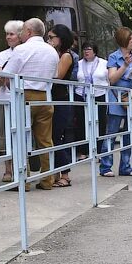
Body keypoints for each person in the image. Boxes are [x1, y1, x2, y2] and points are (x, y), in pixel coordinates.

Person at [10, 18, 61, 190]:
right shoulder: (52, 51)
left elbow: (9, 73)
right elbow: (54, 75)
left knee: (21, 139)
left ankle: (23, 182)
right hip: (45, 97)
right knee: (45, 140)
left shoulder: (21, 49)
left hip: (25, 96)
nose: (20, 33)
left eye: (22, 30)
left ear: (29, 32)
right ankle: (47, 180)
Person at [101, 27, 132, 177]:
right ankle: (105, 167)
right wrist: (125, 65)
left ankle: (125, 167)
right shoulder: (114, 57)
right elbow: (112, 79)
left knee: (129, 134)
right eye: (130, 38)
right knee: (111, 132)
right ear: (123, 40)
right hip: (117, 98)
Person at [0, 20, 24, 181]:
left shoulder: (25, 52)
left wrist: (5, 72)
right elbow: (0, 80)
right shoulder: (2, 55)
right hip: (5, 99)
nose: (8, 37)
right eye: (7, 34)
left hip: (21, 98)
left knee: (21, 135)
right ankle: (8, 170)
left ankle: (21, 168)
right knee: (6, 136)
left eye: (12, 34)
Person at [46, 24, 79, 187]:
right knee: (52, 136)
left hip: (61, 99)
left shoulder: (66, 56)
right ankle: (55, 173)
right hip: (53, 98)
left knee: (57, 136)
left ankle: (65, 174)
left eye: (52, 37)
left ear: (61, 38)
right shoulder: (57, 54)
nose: (49, 40)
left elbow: (57, 75)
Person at [75, 42, 109, 164]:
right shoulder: (78, 64)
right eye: (84, 49)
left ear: (95, 51)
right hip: (81, 96)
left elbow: (108, 79)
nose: (86, 51)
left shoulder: (103, 63)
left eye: (89, 49)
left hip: (99, 95)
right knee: (82, 123)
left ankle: (99, 150)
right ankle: (83, 151)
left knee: (100, 123)